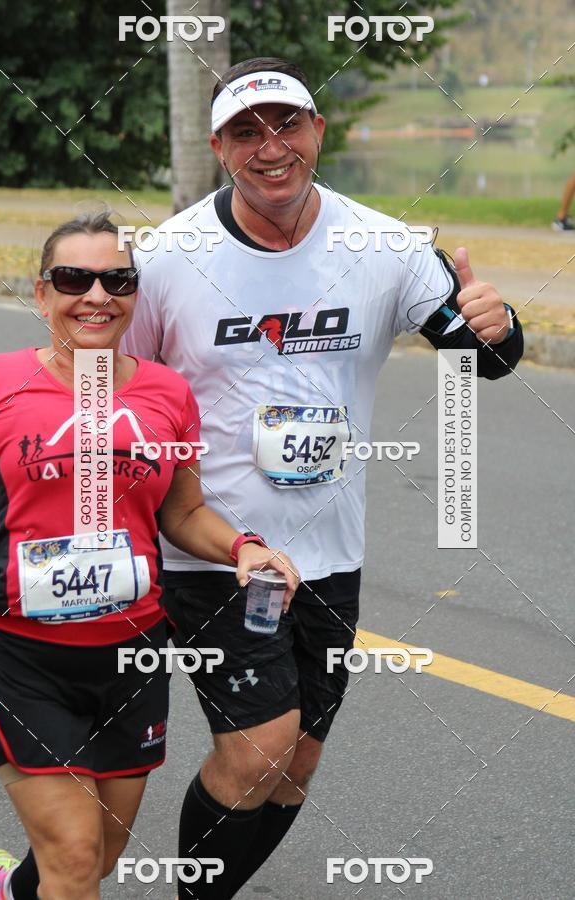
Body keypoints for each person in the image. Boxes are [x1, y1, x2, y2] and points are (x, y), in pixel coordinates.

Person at [113, 56, 526, 898]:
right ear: (219, 147)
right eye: (246, 132)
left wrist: (498, 324)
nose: (271, 147)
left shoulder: (383, 244)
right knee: (259, 747)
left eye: (286, 124)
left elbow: (482, 358)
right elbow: (112, 398)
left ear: (317, 132)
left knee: (294, 766)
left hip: (331, 555)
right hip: (216, 551)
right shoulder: (164, 260)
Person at [0, 211, 298, 900]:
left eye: (116, 279)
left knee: (101, 854)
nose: (96, 295)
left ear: (134, 294)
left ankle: (6, 889)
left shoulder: (166, 393)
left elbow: (181, 512)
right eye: (73, 278)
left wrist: (244, 548)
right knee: (73, 852)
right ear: (42, 295)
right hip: (17, 652)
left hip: (132, 656)